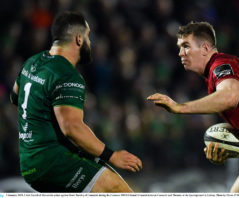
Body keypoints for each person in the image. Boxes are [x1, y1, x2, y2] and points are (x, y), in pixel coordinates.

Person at [10, 11, 142, 192]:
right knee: (115, 187)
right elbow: (72, 128)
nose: (90, 42)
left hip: (29, 162)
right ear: (79, 39)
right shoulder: (66, 74)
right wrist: (112, 156)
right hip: (53, 163)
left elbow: (15, 97)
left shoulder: (32, 62)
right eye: (88, 37)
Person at [147, 21, 239, 192]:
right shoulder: (214, 77)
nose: (180, 53)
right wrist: (224, 148)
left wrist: (179, 107)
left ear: (204, 49)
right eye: (180, 47)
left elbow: (230, 96)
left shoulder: (221, 65)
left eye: (186, 46)